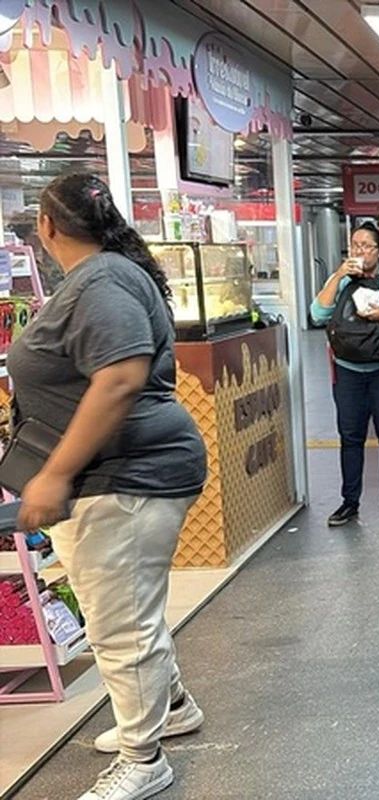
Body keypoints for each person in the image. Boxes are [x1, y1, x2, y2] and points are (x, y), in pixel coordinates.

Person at [11, 173, 209, 800]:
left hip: (126, 473)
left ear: (46, 227)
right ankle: (170, 705)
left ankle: (143, 758)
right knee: (125, 609)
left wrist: (55, 473)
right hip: (121, 471)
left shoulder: (101, 281)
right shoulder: (110, 275)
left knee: (121, 624)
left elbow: (120, 378)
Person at [310, 224, 379, 527]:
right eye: (355, 245)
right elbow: (317, 314)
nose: (360, 251)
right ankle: (349, 502)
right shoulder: (341, 280)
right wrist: (340, 275)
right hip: (348, 370)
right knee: (351, 437)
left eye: (367, 246)